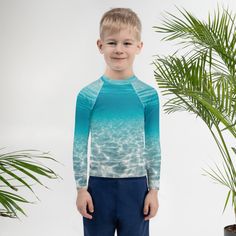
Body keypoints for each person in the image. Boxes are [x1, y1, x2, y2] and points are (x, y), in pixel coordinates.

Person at [72, 7, 161, 236]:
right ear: (100, 45)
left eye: (127, 43)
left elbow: (153, 146)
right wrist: (82, 189)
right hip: (98, 189)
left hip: (136, 189)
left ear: (139, 47)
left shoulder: (148, 96)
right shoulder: (88, 95)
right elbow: (79, 146)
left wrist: (153, 190)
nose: (119, 50)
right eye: (112, 43)